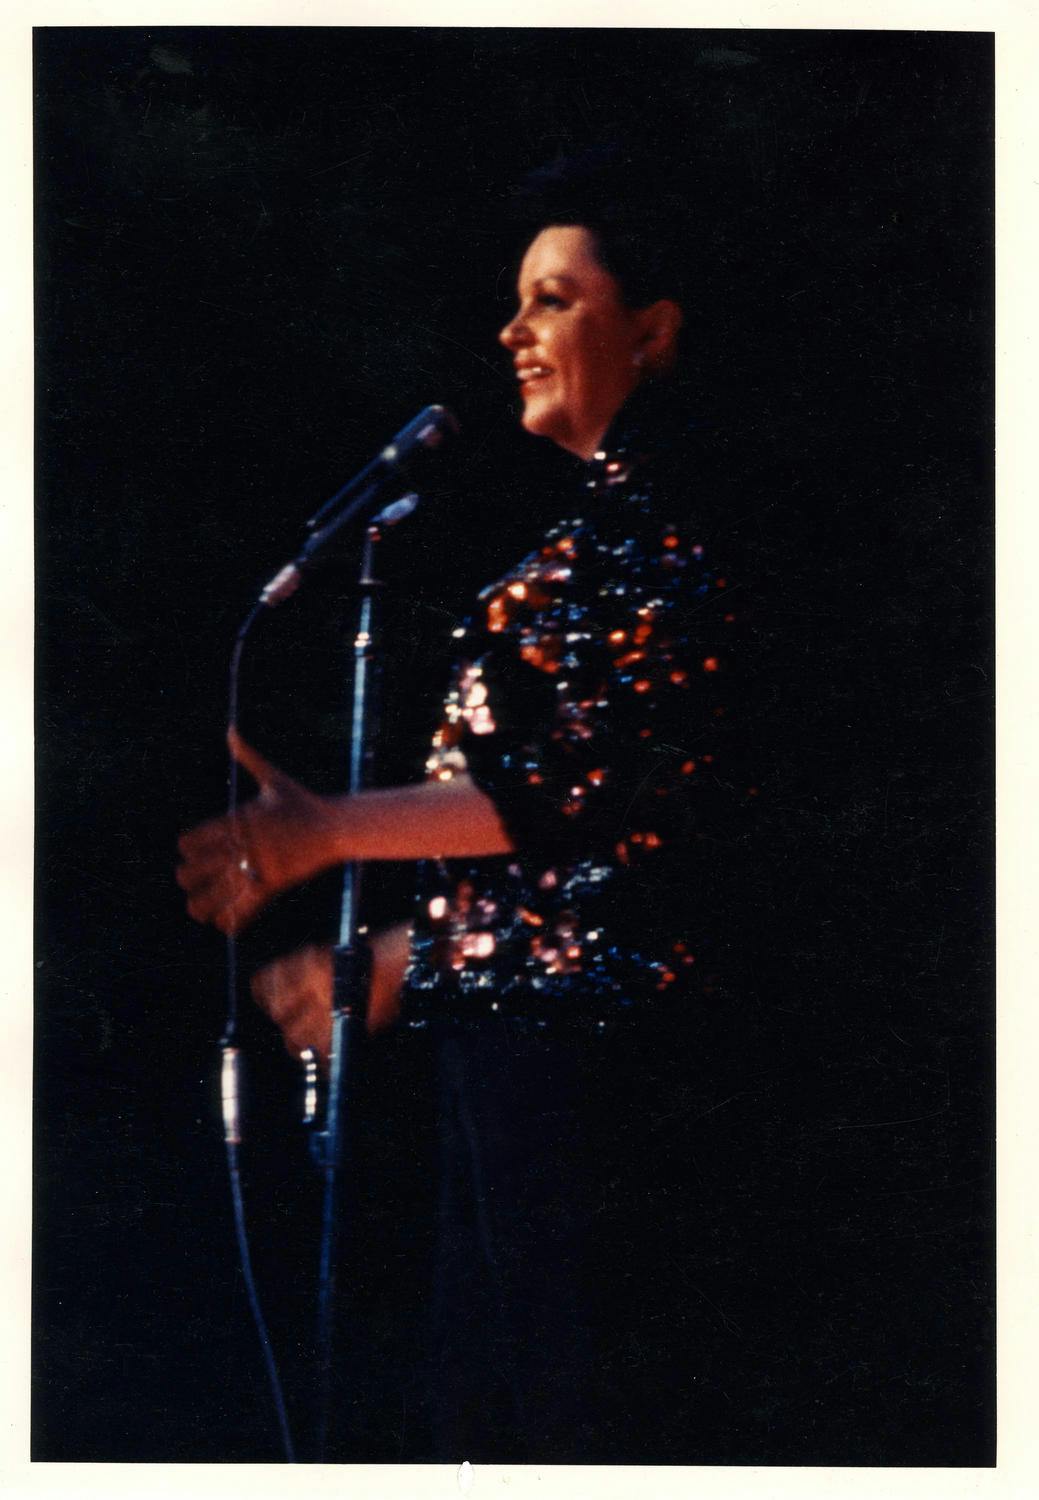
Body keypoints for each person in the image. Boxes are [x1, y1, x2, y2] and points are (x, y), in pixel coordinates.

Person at [178, 185, 764, 1461]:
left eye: (554, 298)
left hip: (601, 1081)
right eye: (514, 301)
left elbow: (567, 804)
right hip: (527, 1052)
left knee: (562, 1424)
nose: (513, 329)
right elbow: (581, 860)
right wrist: (410, 956)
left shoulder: (664, 539)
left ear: (652, 333)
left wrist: (330, 830)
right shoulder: (600, 536)